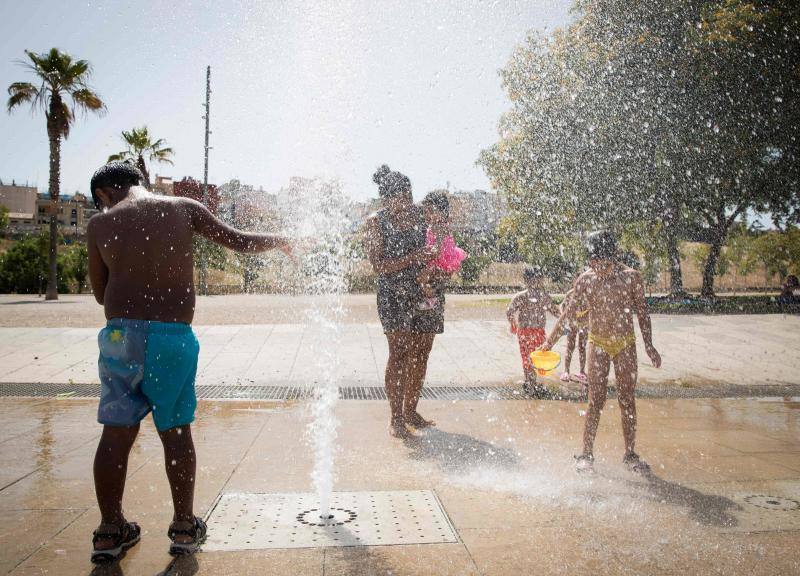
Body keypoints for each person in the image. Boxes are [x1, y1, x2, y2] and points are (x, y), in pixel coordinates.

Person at [86, 161, 292, 563]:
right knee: (176, 431)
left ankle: (110, 531)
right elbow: (238, 240)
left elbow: (99, 293)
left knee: (115, 434)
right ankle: (183, 526)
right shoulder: (182, 207)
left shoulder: (100, 224)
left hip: (119, 338)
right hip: (171, 338)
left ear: (106, 193)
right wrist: (280, 238)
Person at [541, 230, 661, 474]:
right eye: (593, 263)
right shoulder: (586, 280)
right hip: (597, 343)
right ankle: (586, 453)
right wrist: (548, 344)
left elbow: (642, 312)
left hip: (625, 344)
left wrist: (648, 345)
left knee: (627, 398)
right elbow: (568, 315)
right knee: (595, 400)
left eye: (603, 263)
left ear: (616, 256)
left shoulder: (631, 278)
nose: (598, 268)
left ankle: (630, 453)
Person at [364, 165, 450, 438]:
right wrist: (413, 258)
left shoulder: (421, 216)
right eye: (401, 197)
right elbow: (378, 266)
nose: (407, 203)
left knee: (421, 354)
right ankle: (396, 417)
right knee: (400, 353)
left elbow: (441, 239)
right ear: (387, 199)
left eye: (409, 196)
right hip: (393, 295)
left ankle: (412, 410)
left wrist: (440, 263)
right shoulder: (375, 222)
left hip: (426, 292)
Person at [506, 265, 560, 396]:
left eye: (538, 279)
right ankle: (531, 383)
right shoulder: (538, 296)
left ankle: (530, 381)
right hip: (530, 332)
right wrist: (513, 322)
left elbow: (509, 311)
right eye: (535, 279)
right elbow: (555, 312)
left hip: (531, 332)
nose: (536, 282)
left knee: (530, 358)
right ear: (527, 280)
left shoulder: (526, 296)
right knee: (532, 358)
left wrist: (512, 322)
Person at [416, 191, 467, 310]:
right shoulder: (436, 225)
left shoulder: (439, 227)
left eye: (432, 211)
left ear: (443, 214)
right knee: (424, 279)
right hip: (440, 258)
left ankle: (431, 299)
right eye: (425, 211)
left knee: (422, 278)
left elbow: (437, 247)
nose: (427, 215)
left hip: (442, 259)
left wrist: (426, 253)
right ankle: (431, 297)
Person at [560, 286, 588, 386]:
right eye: (577, 282)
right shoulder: (570, 293)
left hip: (584, 325)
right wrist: (565, 319)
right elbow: (562, 307)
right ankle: (566, 371)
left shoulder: (588, 293)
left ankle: (582, 371)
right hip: (572, 324)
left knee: (582, 347)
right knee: (570, 347)